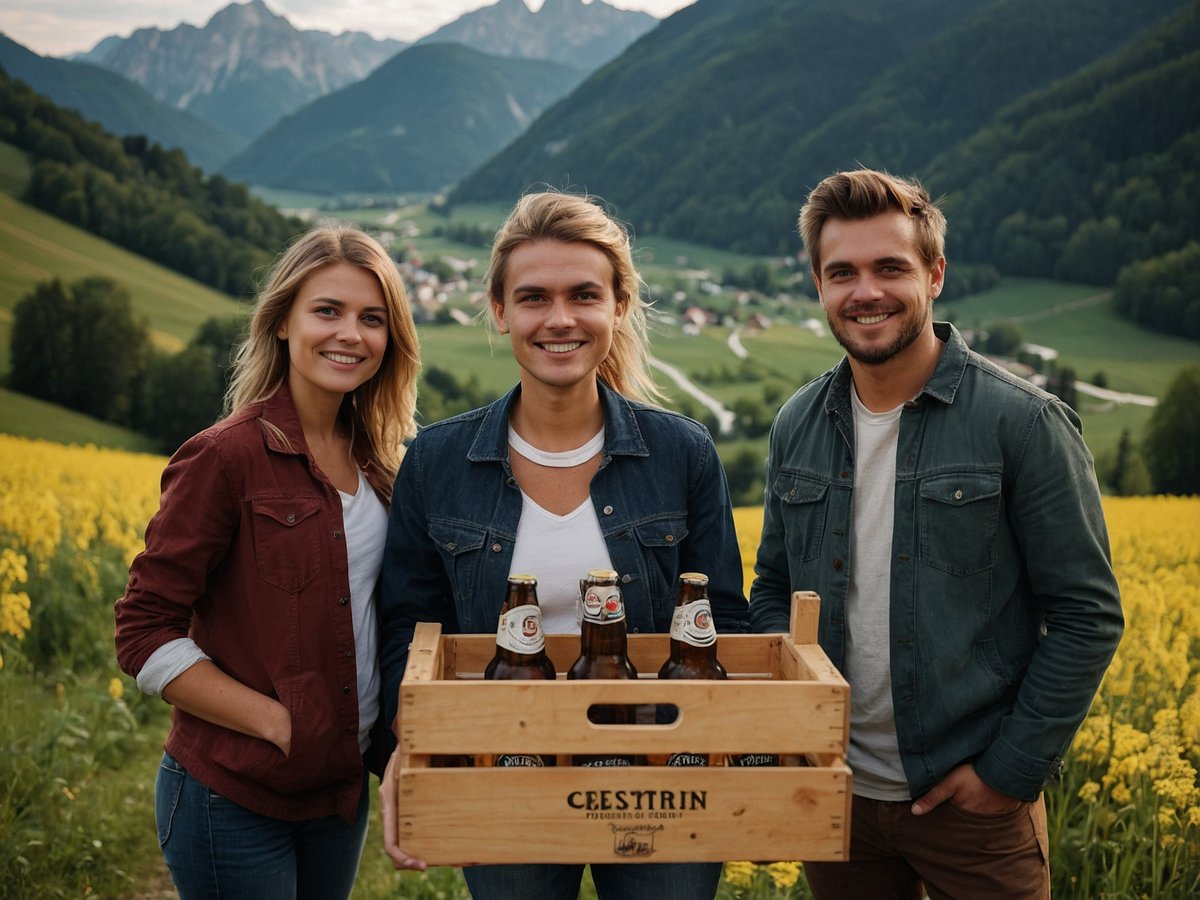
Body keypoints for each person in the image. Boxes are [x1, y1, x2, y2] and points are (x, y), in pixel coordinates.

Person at [748, 168, 1124, 899]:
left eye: (891, 267)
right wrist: (795, 735)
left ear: (936, 273)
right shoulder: (798, 423)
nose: (866, 292)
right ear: (817, 286)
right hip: (837, 800)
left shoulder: (1022, 422)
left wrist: (1006, 775)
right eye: (842, 272)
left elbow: (1087, 614)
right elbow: (772, 590)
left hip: (973, 809)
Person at [377, 190, 750, 899]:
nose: (558, 319)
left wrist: (740, 768)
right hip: (501, 770)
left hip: (659, 773)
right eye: (533, 297)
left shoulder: (683, 454)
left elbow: (722, 622)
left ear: (618, 305)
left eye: (584, 295)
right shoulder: (437, 462)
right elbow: (409, 622)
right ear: (500, 311)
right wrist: (412, 740)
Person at [114, 224, 420, 900]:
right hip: (233, 795)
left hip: (337, 796)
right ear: (283, 322)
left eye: (373, 318)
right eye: (327, 311)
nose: (350, 334)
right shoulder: (225, 457)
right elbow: (142, 631)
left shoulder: (380, 464)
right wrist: (277, 724)